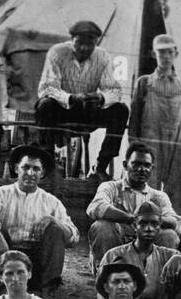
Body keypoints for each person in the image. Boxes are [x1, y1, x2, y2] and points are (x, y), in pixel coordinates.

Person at [0, 144, 78, 299]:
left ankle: (46, 296)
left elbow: (72, 237)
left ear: (42, 173)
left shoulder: (51, 201)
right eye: (26, 167)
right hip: (3, 257)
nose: (30, 173)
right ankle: (3, 294)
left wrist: (54, 222)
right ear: (16, 169)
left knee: (56, 230)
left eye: (36, 169)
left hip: (35, 265)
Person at [34, 20, 127, 181]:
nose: (84, 48)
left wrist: (100, 97)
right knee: (45, 105)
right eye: (79, 43)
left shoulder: (102, 56)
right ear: (72, 40)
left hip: (87, 112)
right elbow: (47, 88)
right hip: (62, 110)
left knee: (121, 110)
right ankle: (48, 167)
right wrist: (69, 98)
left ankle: (100, 167)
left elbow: (114, 90)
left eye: (90, 44)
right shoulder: (57, 52)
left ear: (96, 42)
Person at [129, 34, 181, 214]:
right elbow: (134, 117)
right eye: (161, 53)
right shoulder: (144, 83)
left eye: (170, 52)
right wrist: (133, 147)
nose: (166, 57)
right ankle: (142, 224)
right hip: (150, 141)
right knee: (147, 185)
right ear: (153, 54)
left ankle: (172, 230)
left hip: (176, 143)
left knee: (174, 188)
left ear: (176, 53)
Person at [86, 142, 181, 267]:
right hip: (116, 248)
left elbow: (173, 221)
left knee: (169, 235)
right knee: (102, 227)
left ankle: (158, 278)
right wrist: (130, 218)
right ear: (126, 165)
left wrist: (147, 220)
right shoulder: (110, 187)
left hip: (145, 249)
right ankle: (107, 273)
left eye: (147, 165)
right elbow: (96, 207)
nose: (142, 169)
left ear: (152, 168)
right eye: (136, 164)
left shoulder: (159, 196)